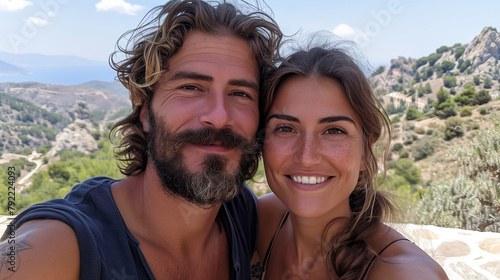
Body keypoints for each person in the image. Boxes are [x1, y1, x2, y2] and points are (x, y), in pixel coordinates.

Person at [0, 1, 282, 279]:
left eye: (241, 93)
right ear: (145, 113)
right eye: (191, 87)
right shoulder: (60, 248)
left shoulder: (240, 213)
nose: (219, 117)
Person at [252, 46, 449, 279]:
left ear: (366, 152)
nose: (307, 156)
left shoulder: (401, 272)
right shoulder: (266, 217)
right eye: (285, 128)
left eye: (333, 131)